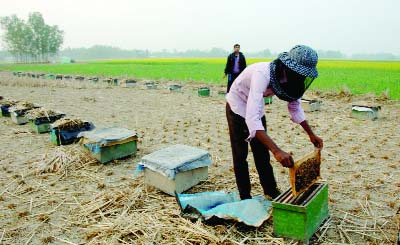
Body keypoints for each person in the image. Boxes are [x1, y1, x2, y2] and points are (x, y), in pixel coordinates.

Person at [226, 45, 323, 200]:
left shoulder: (294, 80)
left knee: (262, 153)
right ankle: (245, 196)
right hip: (237, 105)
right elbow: (252, 119)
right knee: (240, 155)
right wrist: (277, 151)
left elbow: (295, 106)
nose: (301, 79)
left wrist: (311, 134)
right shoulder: (261, 74)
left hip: (255, 106)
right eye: (299, 74)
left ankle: (270, 190)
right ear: (288, 68)